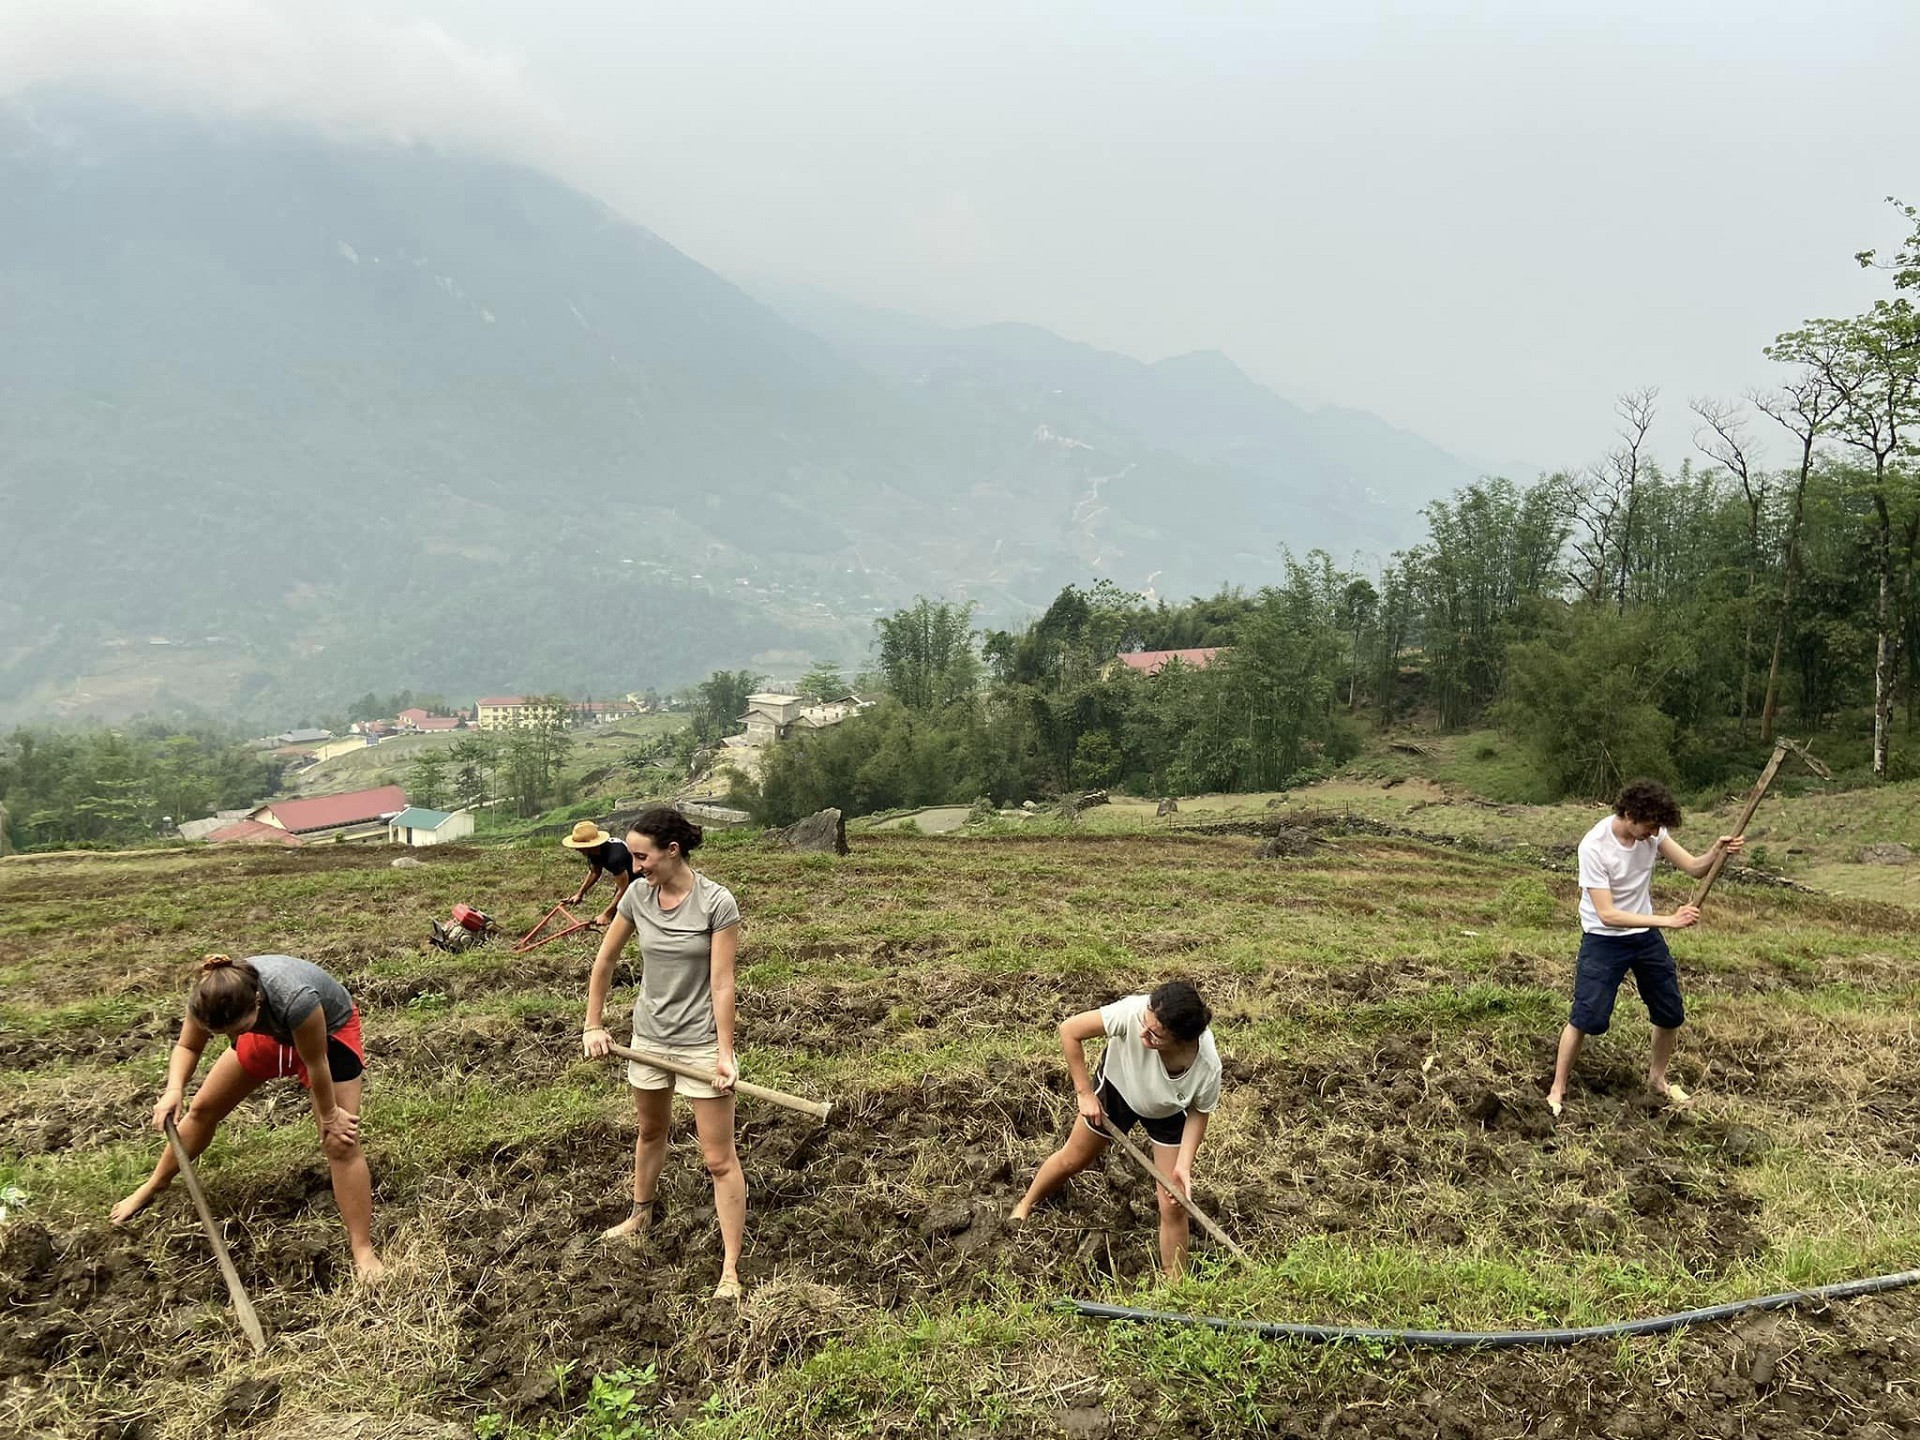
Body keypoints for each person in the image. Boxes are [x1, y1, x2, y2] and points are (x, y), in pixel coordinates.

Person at [110, 954, 384, 1281]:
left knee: (339, 1142)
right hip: (265, 1034)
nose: (228, 1040)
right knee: (202, 1109)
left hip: (328, 1035)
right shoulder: (209, 999)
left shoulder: (295, 1000)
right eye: (222, 1034)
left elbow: (316, 1063)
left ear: (257, 1001)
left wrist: (330, 1116)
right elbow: (188, 1046)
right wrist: (174, 1089)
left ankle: (362, 1249)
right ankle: (155, 1183)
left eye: (235, 1031)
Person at [581, 806, 746, 1300]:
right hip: (648, 1038)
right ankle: (639, 1214)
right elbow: (605, 960)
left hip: (697, 1043)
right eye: (632, 857)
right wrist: (593, 1024)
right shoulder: (636, 895)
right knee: (651, 1131)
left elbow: (722, 983)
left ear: (672, 851)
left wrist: (725, 1053)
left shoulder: (717, 903)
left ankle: (731, 1268)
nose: (635, 866)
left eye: (642, 856)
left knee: (718, 1158)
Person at [1545, 778, 1744, 1117]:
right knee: (1586, 1015)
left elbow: (1695, 868)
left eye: (1658, 829)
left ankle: (1658, 1079)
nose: (1654, 835)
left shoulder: (1653, 833)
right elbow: (1607, 914)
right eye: (1651, 826)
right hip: (1604, 939)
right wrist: (1669, 920)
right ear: (1630, 814)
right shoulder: (1593, 847)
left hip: (1645, 937)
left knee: (1670, 1011)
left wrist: (1717, 851)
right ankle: (1558, 1087)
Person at [1011, 980, 1220, 1279]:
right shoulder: (1132, 1013)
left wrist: (1183, 1167)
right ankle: (1026, 1204)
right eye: (1144, 1024)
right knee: (1073, 1159)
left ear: (1180, 1040)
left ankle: (1175, 1281)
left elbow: (1199, 1111)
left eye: (1155, 1035)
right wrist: (1084, 1093)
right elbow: (1069, 1030)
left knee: (1173, 1203)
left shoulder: (1207, 1067)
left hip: (1166, 1109)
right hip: (1117, 1092)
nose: (1142, 1033)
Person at [561, 820, 636, 927]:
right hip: (627, 880)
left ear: (590, 845)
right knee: (619, 916)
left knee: (624, 915)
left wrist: (607, 914)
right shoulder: (594, 852)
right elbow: (594, 872)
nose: (577, 849)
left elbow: (624, 888)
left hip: (642, 879)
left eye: (579, 846)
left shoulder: (614, 857)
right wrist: (579, 894)